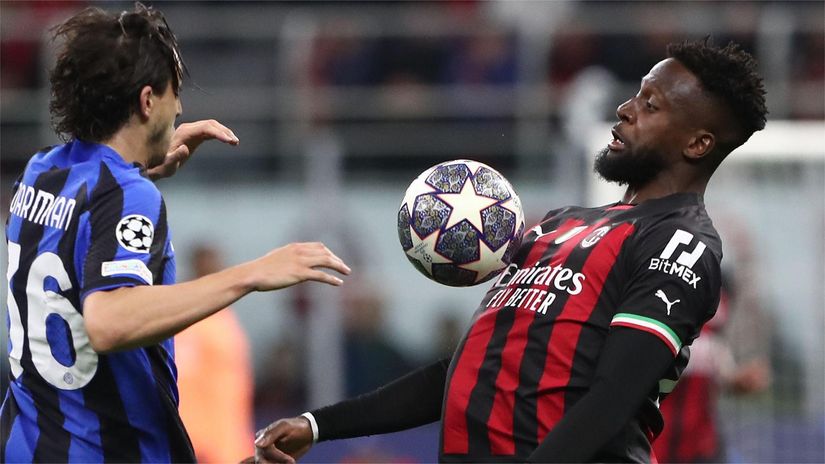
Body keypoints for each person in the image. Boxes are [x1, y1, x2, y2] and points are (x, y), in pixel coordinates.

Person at [253, 38, 768, 463]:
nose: (626, 109)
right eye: (636, 94)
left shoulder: (680, 244)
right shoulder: (560, 226)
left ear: (698, 144)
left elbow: (613, 398)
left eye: (651, 104)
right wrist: (320, 423)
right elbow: (465, 369)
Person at [1, 3, 350, 463]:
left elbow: (70, 238)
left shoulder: (41, 171)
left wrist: (140, 168)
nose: (181, 107)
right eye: (174, 92)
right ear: (148, 101)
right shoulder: (128, 194)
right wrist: (250, 275)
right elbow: (109, 322)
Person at [175, 244, 255, 463]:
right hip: (203, 440)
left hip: (229, 434)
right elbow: (183, 377)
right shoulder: (189, 319)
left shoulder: (224, 317)